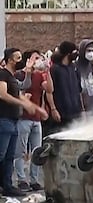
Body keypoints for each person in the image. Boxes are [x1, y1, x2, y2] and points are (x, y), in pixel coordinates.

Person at [0, 48, 43, 197]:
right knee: (1, 154)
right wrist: (23, 104)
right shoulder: (3, 74)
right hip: (3, 119)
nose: (21, 61)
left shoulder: (12, 77)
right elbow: (3, 94)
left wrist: (36, 108)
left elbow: (22, 89)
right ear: (10, 60)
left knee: (9, 155)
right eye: (18, 58)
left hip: (13, 120)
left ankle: (7, 186)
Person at [14, 51, 53, 192]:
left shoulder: (39, 75)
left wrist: (48, 71)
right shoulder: (19, 75)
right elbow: (18, 92)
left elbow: (49, 89)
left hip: (36, 118)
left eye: (40, 58)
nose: (38, 61)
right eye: (36, 58)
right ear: (28, 60)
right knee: (21, 151)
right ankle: (21, 179)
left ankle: (34, 180)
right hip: (23, 117)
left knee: (37, 150)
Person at [48, 41, 83, 133]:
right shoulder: (54, 69)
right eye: (74, 52)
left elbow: (79, 91)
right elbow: (49, 92)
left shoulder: (74, 68)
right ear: (68, 53)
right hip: (61, 113)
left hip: (75, 112)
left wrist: (82, 110)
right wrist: (53, 109)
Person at [75, 39, 93, 112]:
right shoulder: (75, 67)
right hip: (82, 104)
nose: (91, 53)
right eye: (88, 51)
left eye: (92, 51)